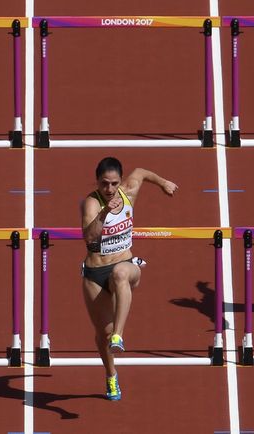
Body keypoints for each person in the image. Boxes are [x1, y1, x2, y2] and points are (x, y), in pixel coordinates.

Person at [80, 157, 178, 401]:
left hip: (126, 264)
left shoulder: (129, 190)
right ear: (97, 182)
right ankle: (111, 375)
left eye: (114, 184)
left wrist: (163, 182)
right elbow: (89, 237)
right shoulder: (91, 203)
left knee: (121, 273)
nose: (110, 189)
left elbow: (142, 171)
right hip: (95, 273)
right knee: (101, 333)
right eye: (104, 184)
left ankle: (119, 336)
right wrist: (105, 212)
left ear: (121, 182)